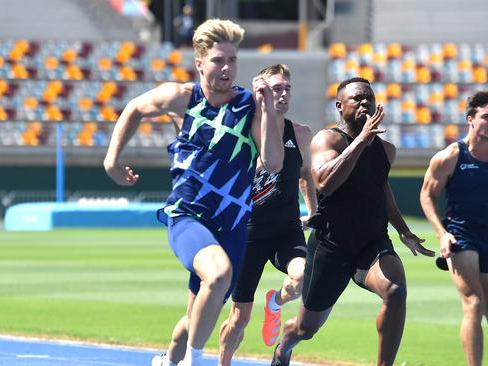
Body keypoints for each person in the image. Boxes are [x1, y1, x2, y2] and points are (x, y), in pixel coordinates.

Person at [103, 18, 284, 366]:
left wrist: (268, 111)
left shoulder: (249, 107)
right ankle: (194, 362)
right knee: (217, 276)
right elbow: (134, 109)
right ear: (199, 62)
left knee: (193, 318)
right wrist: (112, 160)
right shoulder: (181, 97)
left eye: (232, 60)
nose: (227, 68)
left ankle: (169, 360)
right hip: (188, 218)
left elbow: (273, 164)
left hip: (231, 227)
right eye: (218, 60)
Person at [150, 64, 317, 366]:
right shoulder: (241, 131)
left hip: (286, 229)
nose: (282, 94)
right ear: (260, 92)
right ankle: (194, 360)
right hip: (246, 231)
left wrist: (314, 213)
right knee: (232, 317)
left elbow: (305, 174)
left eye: (286, 89)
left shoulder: (301, 134)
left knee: (303, 276)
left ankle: (276, 302)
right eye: (275, 88)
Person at [271, 77, 435, 366]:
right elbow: (324, 183)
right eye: (357, 98)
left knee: (395, 292)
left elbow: (381, 189)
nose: (364, 103)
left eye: (368, 99)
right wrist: (361, 140)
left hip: (371, 244)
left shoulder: (386, 150)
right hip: (331, 247)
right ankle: (284, 345)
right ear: (339, 106)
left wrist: (403, 230)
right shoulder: (327, 139)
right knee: (305, 329)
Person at [419, 89, 488, 366]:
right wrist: (442, 234)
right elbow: (426, 195)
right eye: (486, 117)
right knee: (473, 304)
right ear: (470, 118)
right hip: (460, 234)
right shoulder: (450, 156)